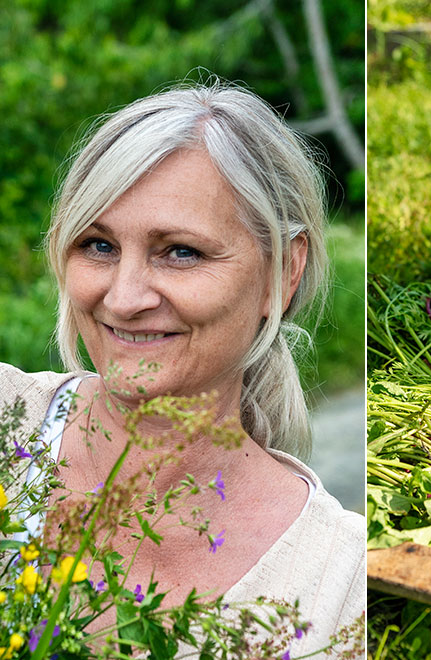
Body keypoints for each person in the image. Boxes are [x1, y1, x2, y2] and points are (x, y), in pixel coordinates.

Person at [0, 81, 363, 655]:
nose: (123, 298)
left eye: (181, 252)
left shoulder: (338, 589)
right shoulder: (7, 421)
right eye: (98, 245)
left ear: (284, 273)